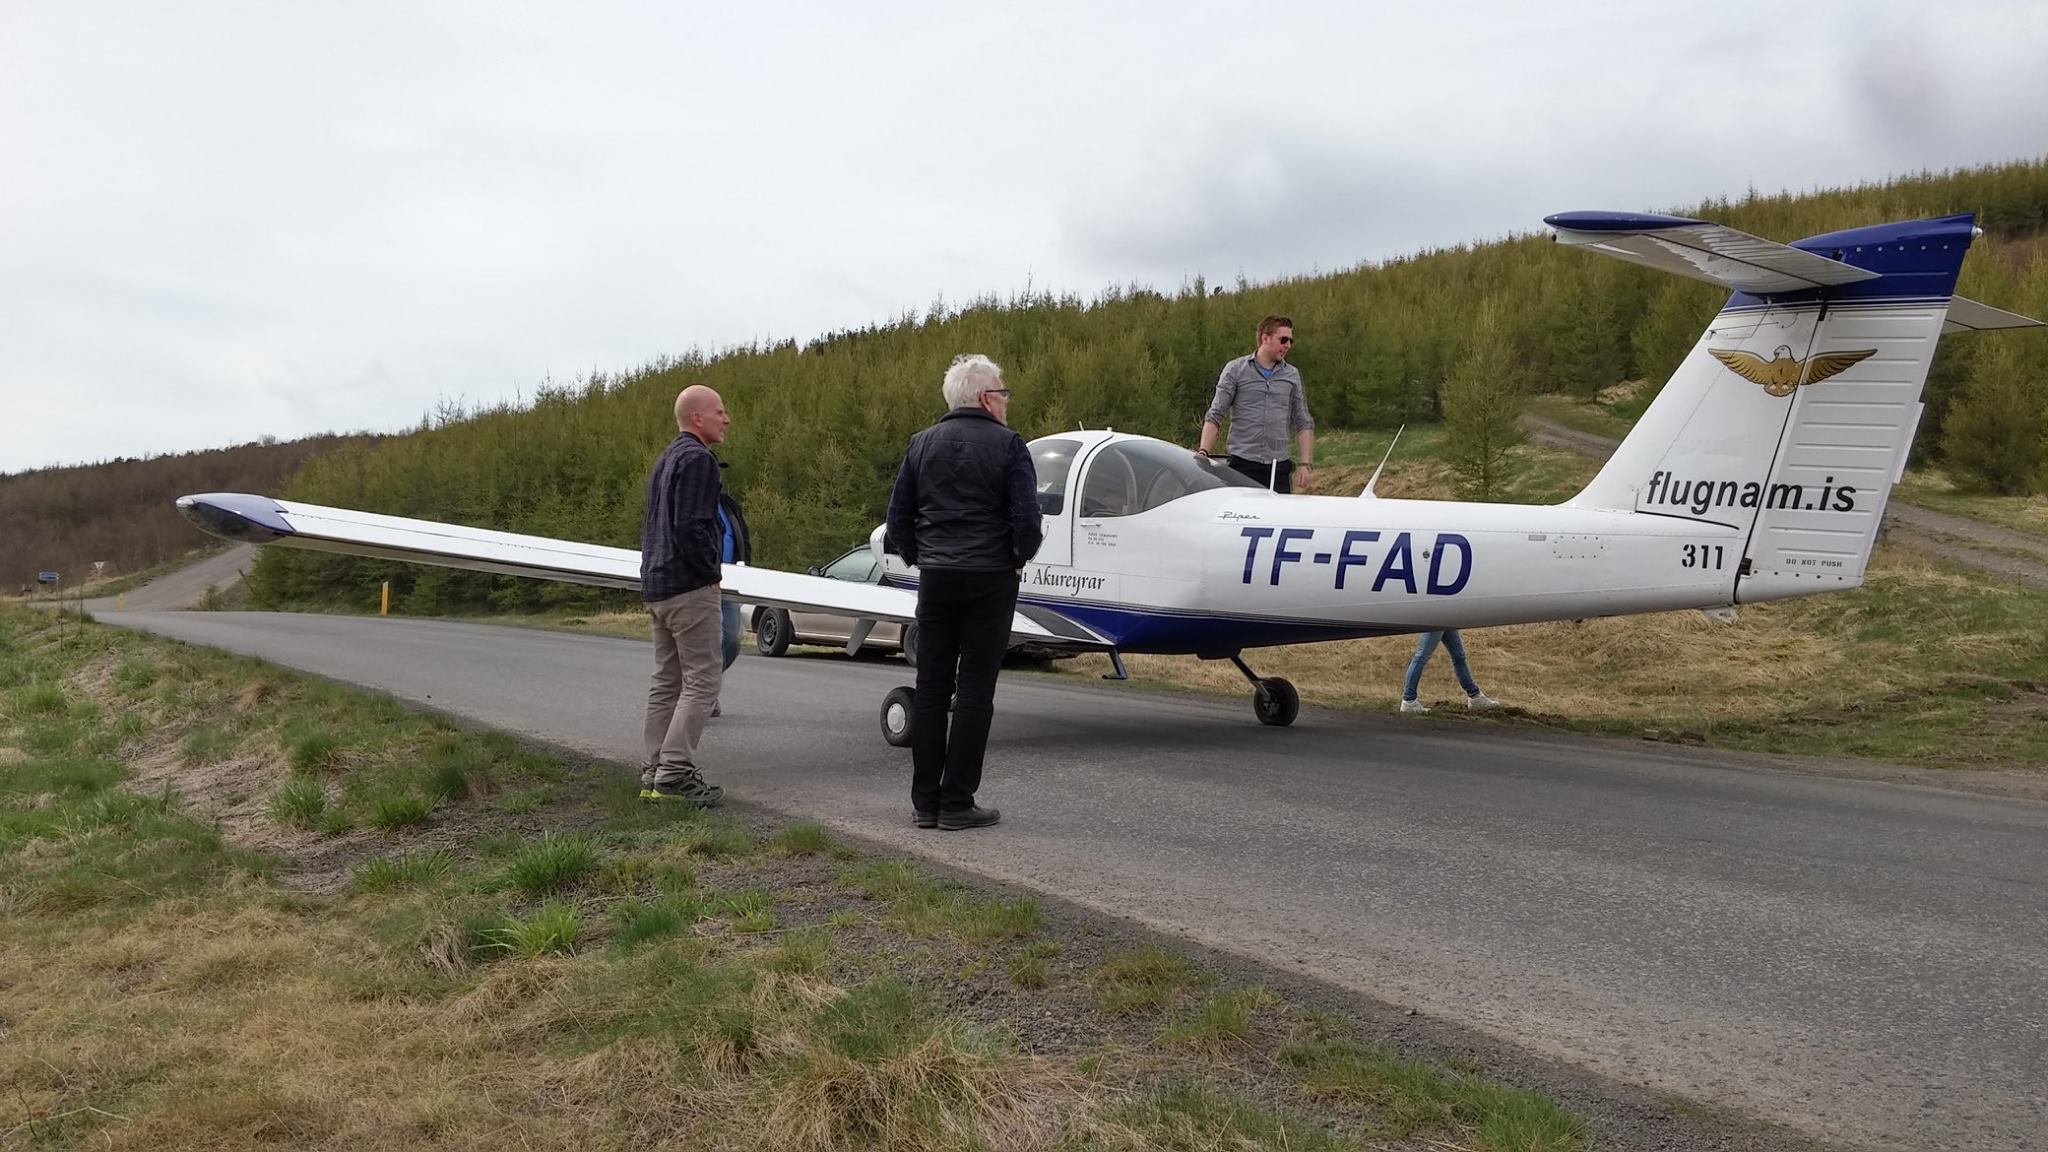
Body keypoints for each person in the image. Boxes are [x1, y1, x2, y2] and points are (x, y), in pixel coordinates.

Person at [884, 353, 1043, 831]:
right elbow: (1028, 520)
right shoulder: (1010, 445)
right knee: (975, 690)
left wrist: (922, 555)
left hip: (937, 576)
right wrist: (1014, 557)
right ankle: (957, 801)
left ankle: (924, 802)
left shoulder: (921, 444)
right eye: (1004, 393)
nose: (1006, 401)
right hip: (990, 577)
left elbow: (898, 521)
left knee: (931, 687)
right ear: (985, 397)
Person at [638, 385, 731, 805]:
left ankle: (654, 770)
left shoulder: (665, 460)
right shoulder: (698, 460)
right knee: (703, 680)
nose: (726, 420)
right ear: (698, 418)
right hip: (689, 587)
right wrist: (710, 572)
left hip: (657, 585)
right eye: (719, 412)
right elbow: (691, 526)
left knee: (666, 682)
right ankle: (675, 774)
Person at [1197, 314, 1315, 493]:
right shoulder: (1235, 370)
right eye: (1283, 340)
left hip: (1278, 468)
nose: (1288, 345)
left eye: (1291, 341)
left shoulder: (1292, 375)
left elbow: (1303, 420)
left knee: (1278, 520)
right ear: (1265, 338)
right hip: (1242, 466)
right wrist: (1203, 451)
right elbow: (1215, 414)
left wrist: (1305, 463)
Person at [710, 487, 751, 717]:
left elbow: (742, 538)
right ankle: (700, 693)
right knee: (703, 643)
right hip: (701, 581)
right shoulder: (692, 502)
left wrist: (746, 568)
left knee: (732, 639)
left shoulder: (728, 505)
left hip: (730, 582)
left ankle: (704, 686)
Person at [1398, 629, 1502, 713]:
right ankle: (1409, 700)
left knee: (1459, 657)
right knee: (1421, 657)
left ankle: (1475, 696)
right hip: (1438, 617)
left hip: (1447, 618)